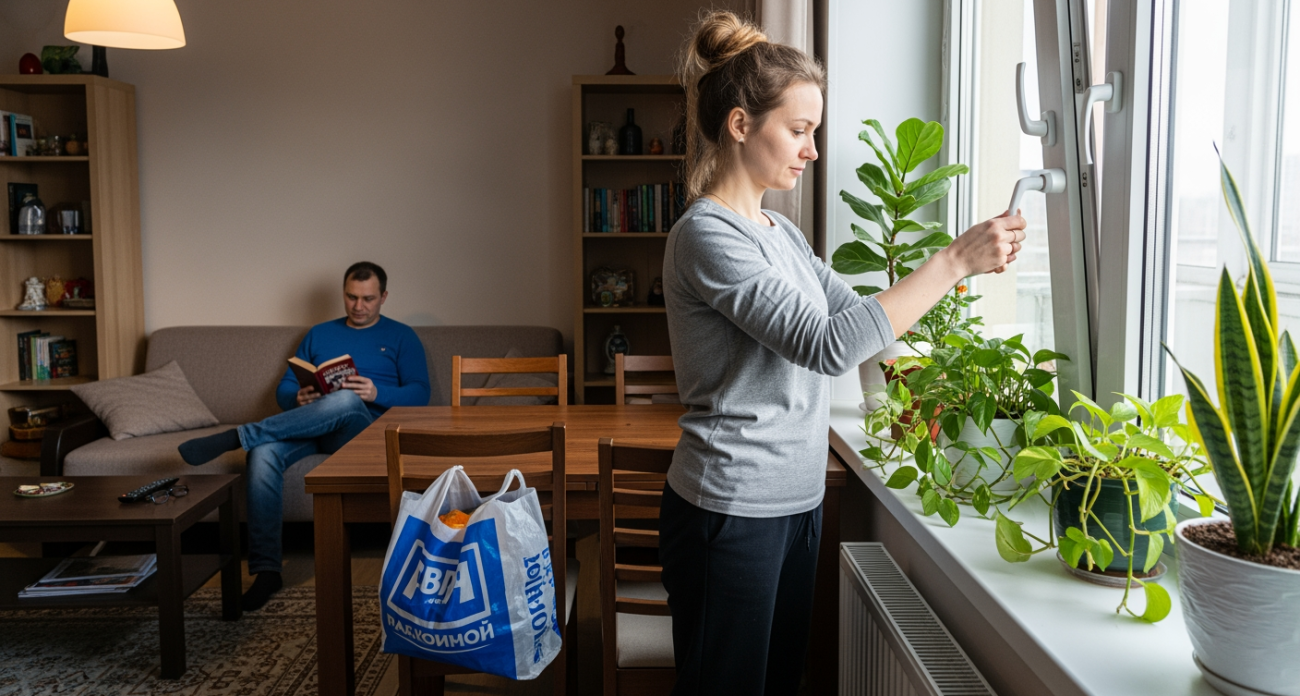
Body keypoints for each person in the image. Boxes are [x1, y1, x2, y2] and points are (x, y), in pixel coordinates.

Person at [660, 11, 1027, 695]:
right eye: (799, 130)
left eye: (814, 132)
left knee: (775, 683)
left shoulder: (782, 234)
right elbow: (830, 345)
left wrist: (909, 398)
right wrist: (953, 261)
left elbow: (863, 321)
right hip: (731, 508)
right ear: (741, 125)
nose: (812, 150)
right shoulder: (707, 236)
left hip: (795, 502)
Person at [178, 261, 431, 610]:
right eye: (351, 297)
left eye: (368, 299)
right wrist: (298, 397)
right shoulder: (319, 333)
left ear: (384, 297)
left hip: (361, 433)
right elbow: (284, 387)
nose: (358, 307)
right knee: (263, 453)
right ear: (343, 293)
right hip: (313, 425)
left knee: (344, 398)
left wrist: (377, 392)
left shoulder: (403, 336)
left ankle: (239, 435)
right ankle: (267, 571)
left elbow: (422, 394)